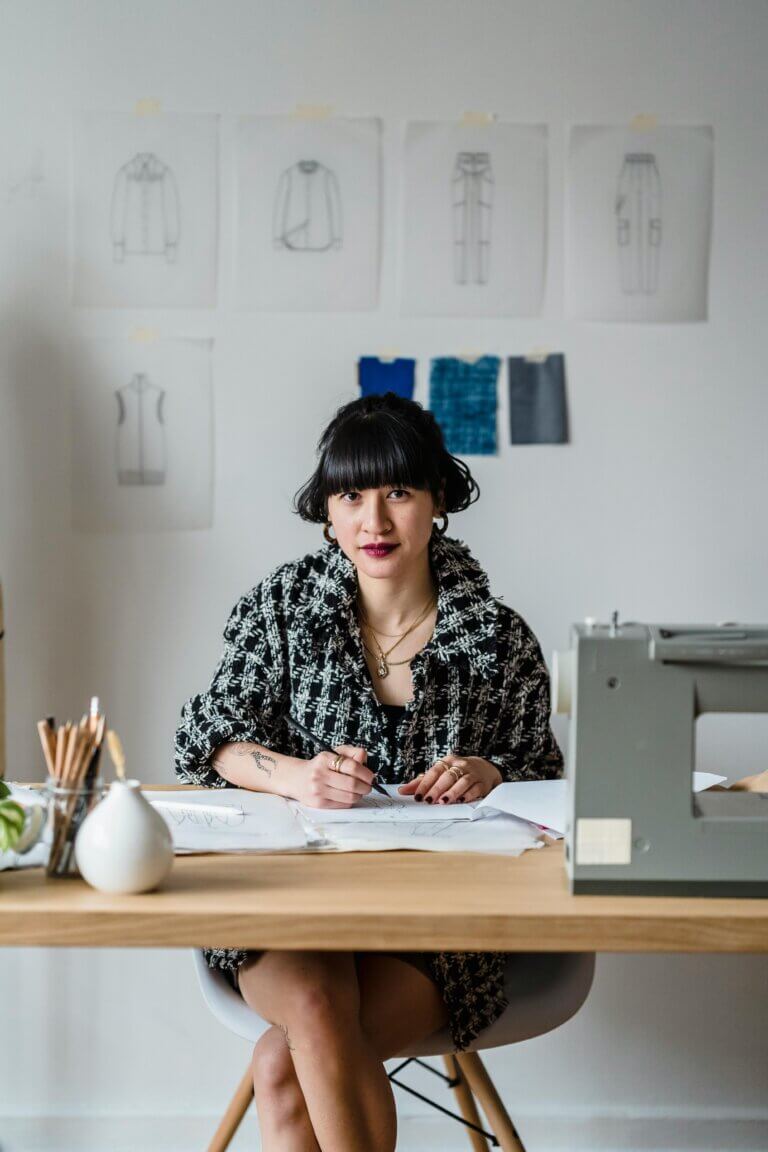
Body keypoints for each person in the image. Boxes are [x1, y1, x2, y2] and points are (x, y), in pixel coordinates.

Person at [173, 391, 565, 1151]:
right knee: (314, 1010)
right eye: (351, 495)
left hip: (435, 932)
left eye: (399, 493)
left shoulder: (499, 637)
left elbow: (546, 778)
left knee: (282, 1062)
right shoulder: (279, 609)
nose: (374, 522)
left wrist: (490, 771)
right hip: (284, 914)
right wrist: (293, 775)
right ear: (326, 508)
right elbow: (203, 738)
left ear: (439, 499)